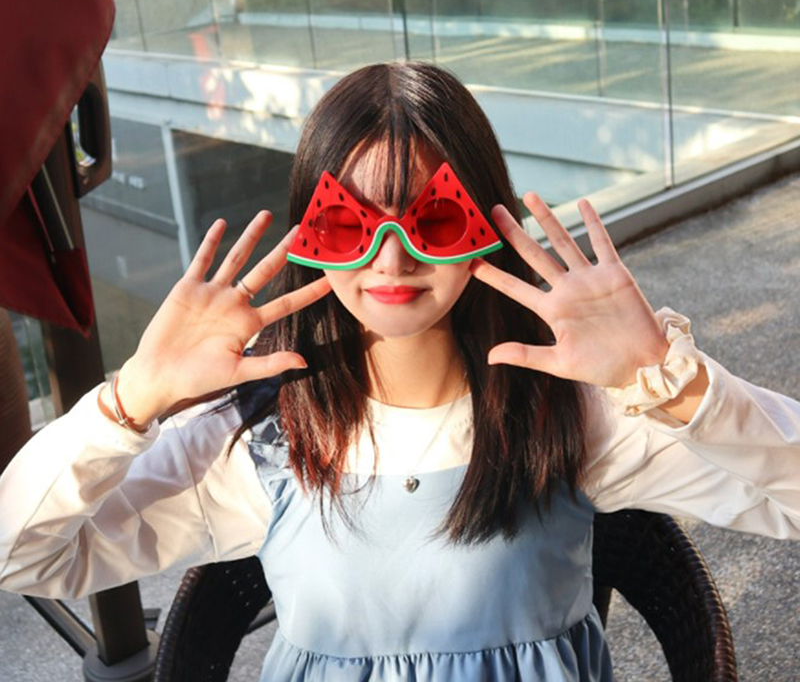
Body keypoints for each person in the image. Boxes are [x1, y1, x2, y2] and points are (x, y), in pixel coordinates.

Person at [1, 61, 799, 682]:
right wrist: (129, 402)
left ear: (488, 223)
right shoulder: (259, 444)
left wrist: (672, 381)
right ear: (309, 231)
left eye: (436, 217)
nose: (391, 258)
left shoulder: (578, 415)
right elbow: (21, 555)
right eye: (347, 223)